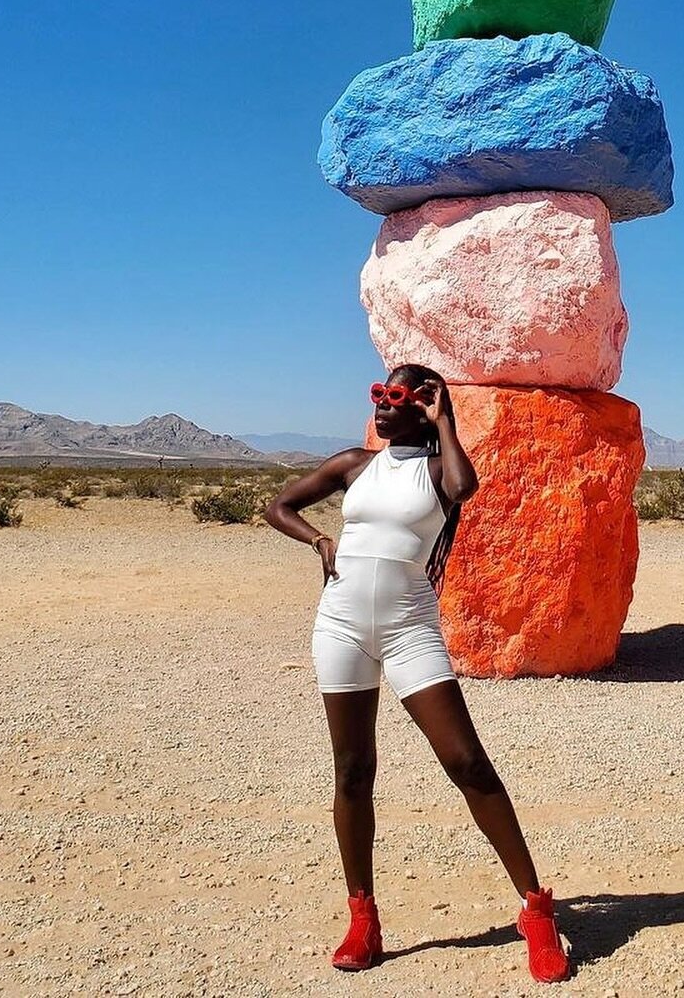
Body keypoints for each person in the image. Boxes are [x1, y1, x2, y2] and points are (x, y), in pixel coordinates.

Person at [263, 362, 572, 983]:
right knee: (352, 770)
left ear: (424, 405)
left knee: (465, 761)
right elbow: (279, 506)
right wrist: (321, 542)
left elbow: (464, 488)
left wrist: (446, 421)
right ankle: (363, 917)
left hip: (410, 630)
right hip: (340, 625)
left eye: (398, 396)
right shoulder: (354, 463)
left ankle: (536, 911)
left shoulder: (437, 468)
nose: (382, 404)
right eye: (378, 393)